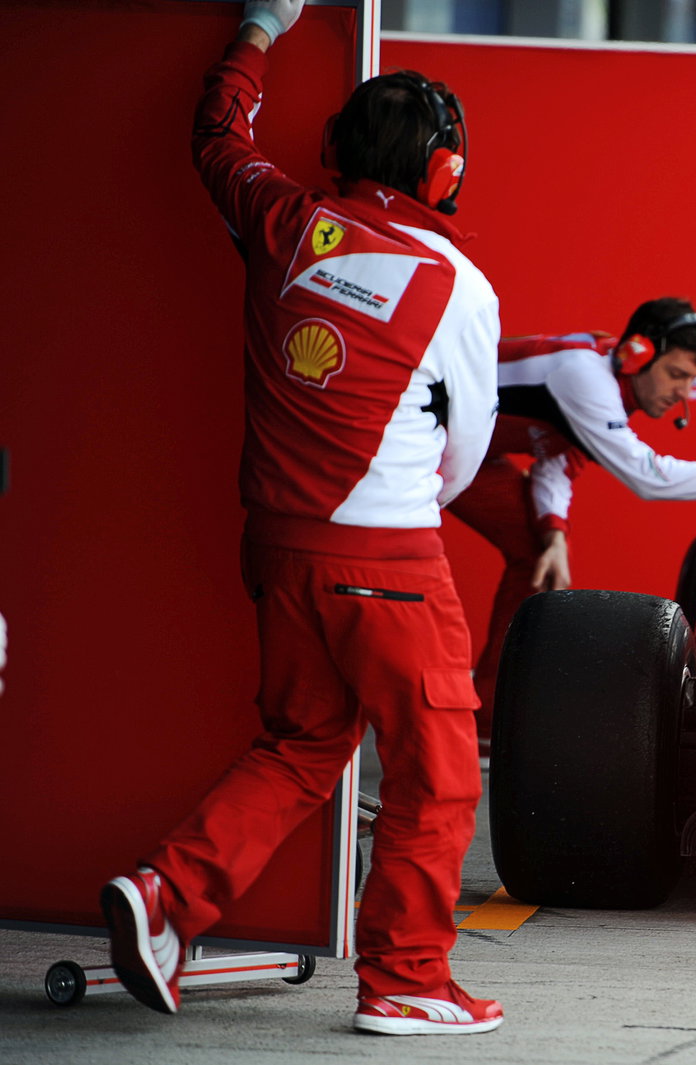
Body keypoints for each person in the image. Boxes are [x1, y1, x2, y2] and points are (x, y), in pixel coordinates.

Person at [99, 0, 504, 1036]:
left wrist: (264, 25)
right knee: (440, 769)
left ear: (331, 150)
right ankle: (408, 979)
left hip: (278, 548)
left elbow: (217, 133)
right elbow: (466, 451)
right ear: (444, 173)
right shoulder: (459, 284)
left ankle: (166, 899)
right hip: (390, 560)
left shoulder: (281, 220)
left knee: (301, 746)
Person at [448, 297, 696, 743]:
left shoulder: (605, 379)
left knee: (539, 554)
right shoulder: (583, 374)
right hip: (416, 441)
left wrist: (554, 533)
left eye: (692, 380)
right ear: (638, 354)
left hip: (462, 453)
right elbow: (650, 479)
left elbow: (555, 461)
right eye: (677, 375)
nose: (683, 394)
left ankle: (489, 715)